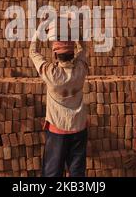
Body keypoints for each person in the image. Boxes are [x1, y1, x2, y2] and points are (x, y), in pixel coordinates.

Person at [29, 31, 89, 177]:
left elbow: (32, 52)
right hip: (79, 128)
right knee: (77, 173)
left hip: (57, 130)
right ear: (73, 54)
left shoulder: (51, 73)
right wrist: (75, 32)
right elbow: (83, 49)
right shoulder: (81, 70)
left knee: (52, 172)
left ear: (55, 55)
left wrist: (38, 31)